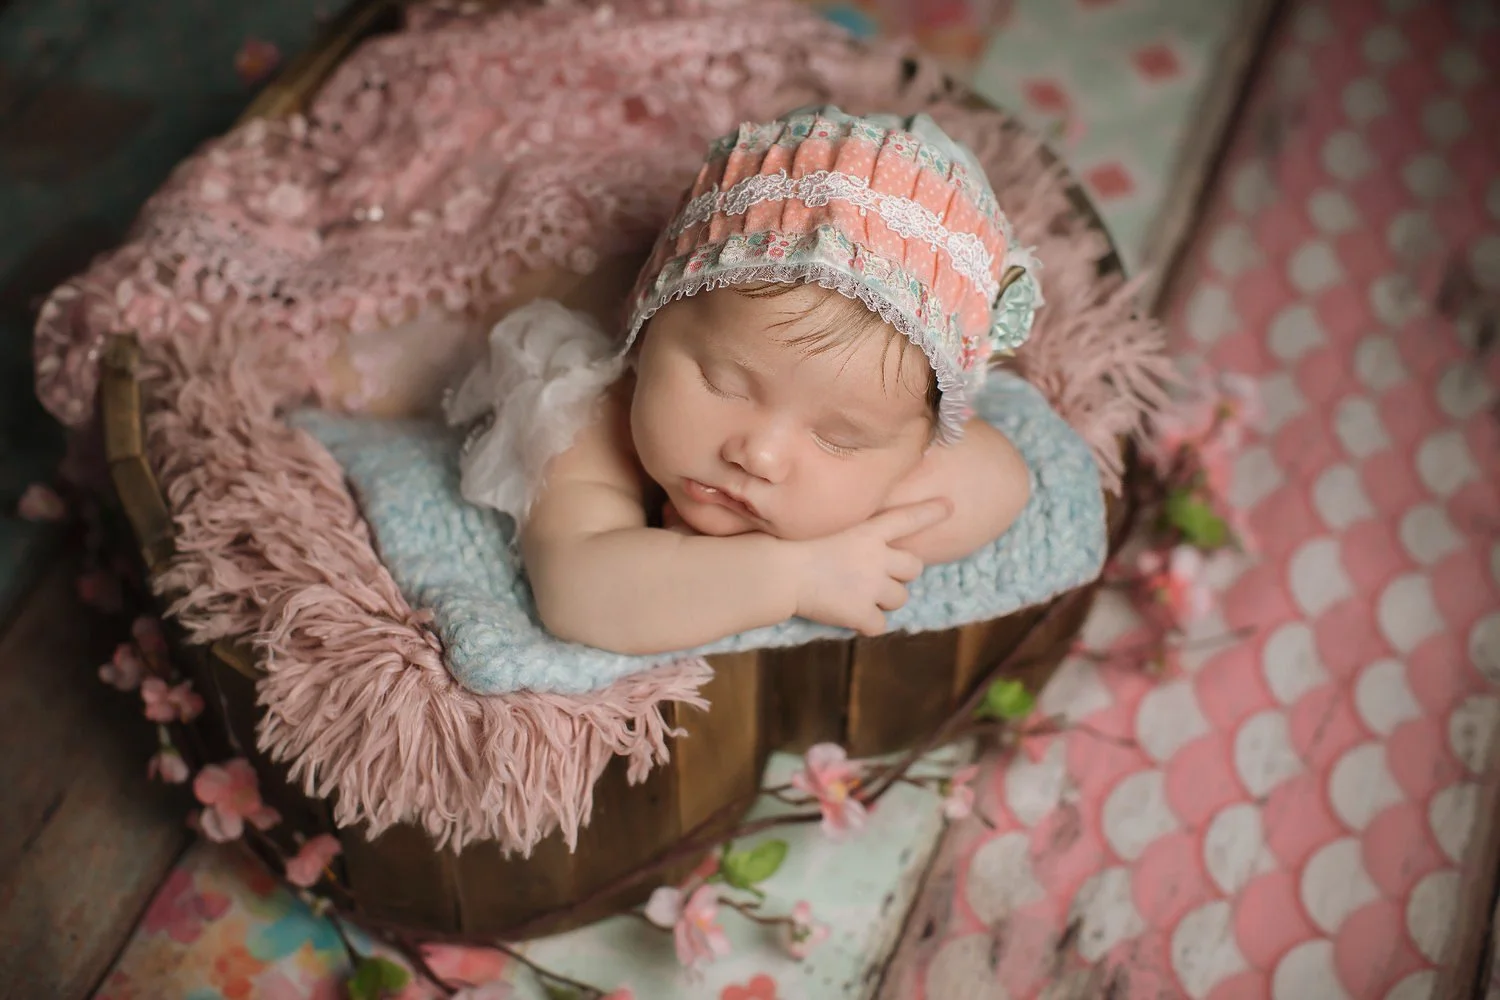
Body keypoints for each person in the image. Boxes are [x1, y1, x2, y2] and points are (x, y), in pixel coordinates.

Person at [445, 106, 1044, 655]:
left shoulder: (899, 431)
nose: (758, 454)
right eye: (723, 385)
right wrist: (798, 572)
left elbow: (998, 483)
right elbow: (578, 593)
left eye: (838, 438)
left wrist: (842, 502)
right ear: (648, 326)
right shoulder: (592, 418)